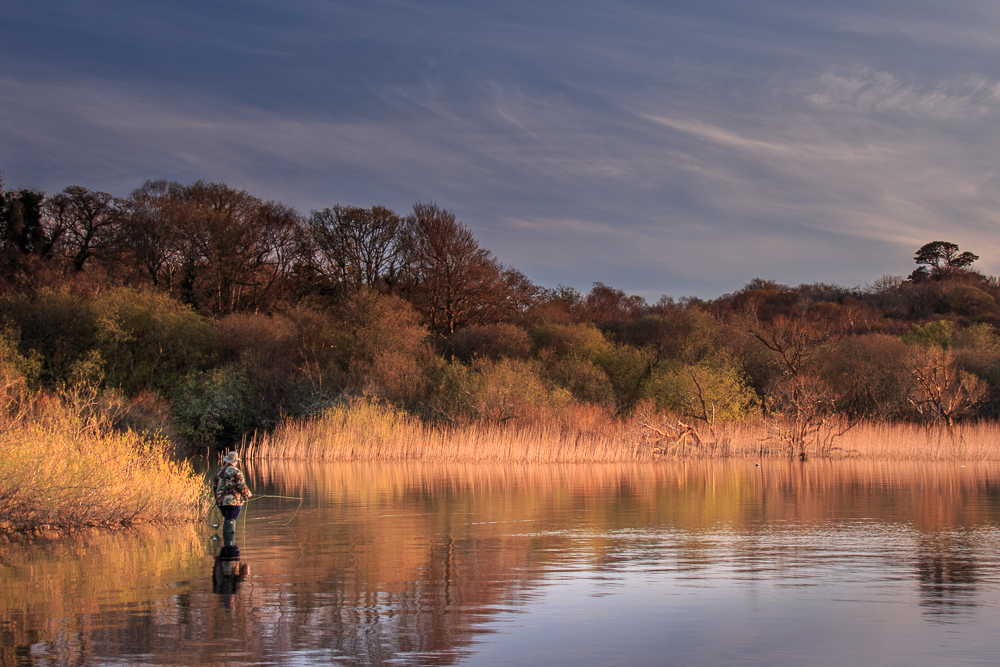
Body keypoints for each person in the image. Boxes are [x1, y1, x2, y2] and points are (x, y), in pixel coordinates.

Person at [213, 451, 252, 533]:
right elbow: (241, 486)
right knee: (230, 521)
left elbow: (215, 487)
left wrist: (217, 499)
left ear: (227, 460)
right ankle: (229, 542)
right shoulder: (236, 471)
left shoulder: (219, 471)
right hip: (233, 502)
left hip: (221, 502)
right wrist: (247, 494)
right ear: (236, 461)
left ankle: (228, 542)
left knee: (228, 519)